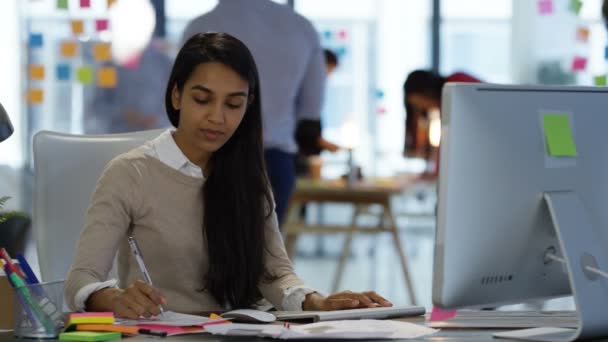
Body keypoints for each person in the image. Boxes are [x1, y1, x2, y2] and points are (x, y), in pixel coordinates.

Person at [64, 33, 392, 318]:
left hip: (244, 329)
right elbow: (81, 279)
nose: (217, 118)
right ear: (177, 95)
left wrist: (317, 302)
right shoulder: (130, 173)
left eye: (234, 104)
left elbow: (276, 275)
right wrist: (114, 298)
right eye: (202, 99)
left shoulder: (247, 173)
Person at [181, 0, 325, 227]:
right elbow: (310, 112)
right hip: (274, 158)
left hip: (209, 155)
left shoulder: (201, 28)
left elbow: (180, 104)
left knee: (203, 254)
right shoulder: (301, 28)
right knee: (264, 256)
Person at [85, 0, 172, 134]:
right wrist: (123, 114)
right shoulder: (108, 66)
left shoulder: (164, 63)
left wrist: (156, 120)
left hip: (155, 139)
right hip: (117, 139)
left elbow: (177, 105)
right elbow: (97, 107)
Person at [403, 70, 480, 174]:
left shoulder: (456, 84)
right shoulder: (446, 99)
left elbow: (450, 141)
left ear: (426, 91)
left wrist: (437, 173)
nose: (423, 108)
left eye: (419, 103)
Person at [295, 49, 341, 178]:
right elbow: (304, 129)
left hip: (304, 157)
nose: (328, 75)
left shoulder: (311, 90)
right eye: (329, 69)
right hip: (299, 158)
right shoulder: (303, 89)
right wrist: (324, 143)